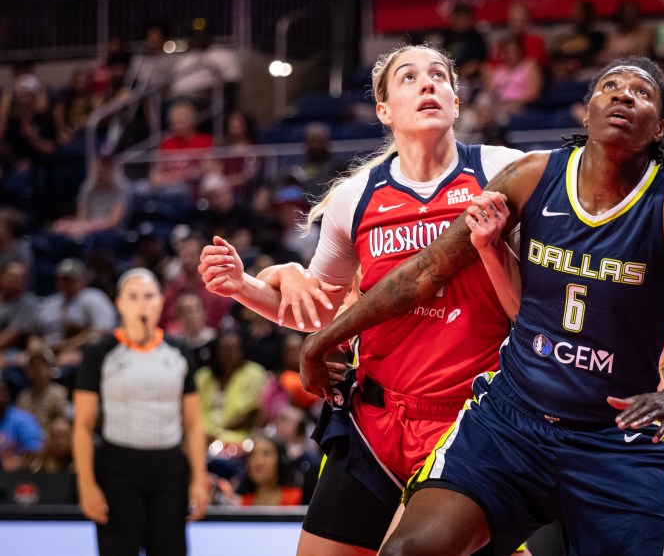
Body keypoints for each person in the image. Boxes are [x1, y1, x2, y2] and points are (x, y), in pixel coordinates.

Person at [278, 55, 664, 554]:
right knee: (407, 550)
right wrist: (324, 338)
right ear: (586, 111)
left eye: (641, 93)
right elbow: (424, 271)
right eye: (610, 86)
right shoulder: (531, 177)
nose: (623, 95)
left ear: (659, 127)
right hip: (511, 423)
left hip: (613, 435)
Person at [198, 43, 525, 555]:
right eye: (409, 77)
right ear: (384, 110)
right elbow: (324, 313)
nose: (427, 84)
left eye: (440, 76)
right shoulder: (357, 195)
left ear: (457, 102)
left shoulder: (505, 171)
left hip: (468, 421)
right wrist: (244, 288)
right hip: (376, 419)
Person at [72, 268, 208, 556]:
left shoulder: (179, 352)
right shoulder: (100, 354)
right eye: (133, 297)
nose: (142, 304)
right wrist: (86, 485)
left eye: (149, 296)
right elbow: (83, 425)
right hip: (117, 469)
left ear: (161, 301)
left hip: (170, 470)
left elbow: (194, 424)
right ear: (120, 304)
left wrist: (199, 479)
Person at [236, 433, 304, 507]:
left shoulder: (297, 499)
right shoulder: (244, 503)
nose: (258, 462)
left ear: (280, 461)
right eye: (252, 454)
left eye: (266, 454)